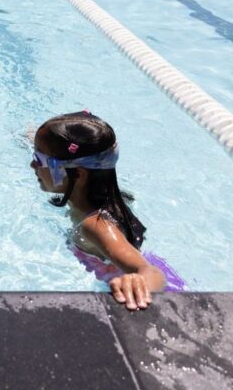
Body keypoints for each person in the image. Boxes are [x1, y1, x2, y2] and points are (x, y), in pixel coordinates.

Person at [31, 111, 186, 311]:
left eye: (39, 159)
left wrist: (138, 284)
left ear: (78, 174)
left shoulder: (95, 226)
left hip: (154, 299)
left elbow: (150, 271)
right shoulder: (102, 198)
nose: (32, 165)